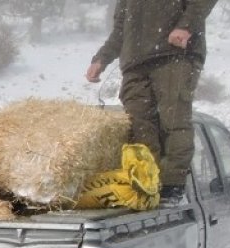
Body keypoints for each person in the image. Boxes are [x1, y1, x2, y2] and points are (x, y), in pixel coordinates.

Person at [85, 0, 218, 204]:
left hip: (173, 54)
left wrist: (185, 26)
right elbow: (120, 28)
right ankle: (148, 181)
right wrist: (101, 59)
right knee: (138, 126)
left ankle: (172, 185)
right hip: (135, 63)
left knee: (173, 120)